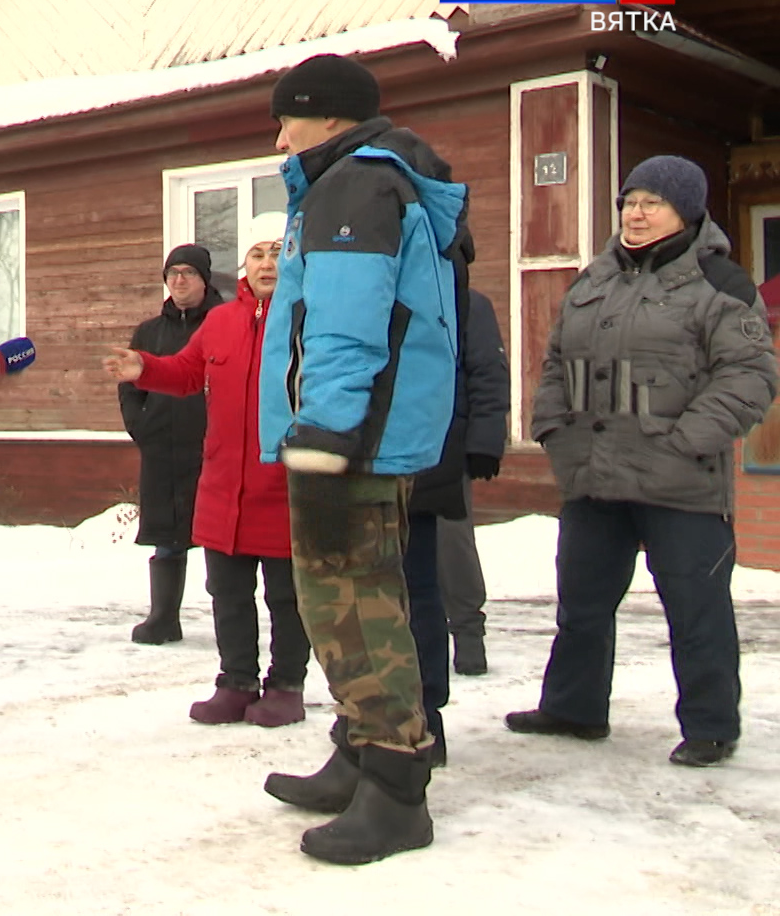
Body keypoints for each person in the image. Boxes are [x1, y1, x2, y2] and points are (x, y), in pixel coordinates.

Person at [253, 54, 466, 865]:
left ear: (330, 116)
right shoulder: (375, 181)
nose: (280, 135)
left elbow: (345, 321)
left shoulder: (354, 185)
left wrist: (328, 429)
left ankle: (396, 785)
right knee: (355, 596)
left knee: (350, 604)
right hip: (372, 429)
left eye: (288, 118)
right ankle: (359, 753)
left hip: (353, 435)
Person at [509, 155, 776, 768]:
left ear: (686, 211)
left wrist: (685, 443)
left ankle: (711, 725)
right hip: (594, 477)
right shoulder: (594, 280)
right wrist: (552, 429)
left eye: (652, 202)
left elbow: (750, 375)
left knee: (696, 609)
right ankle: (573, 708)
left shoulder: (721, 283)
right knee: (580, 604)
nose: (635, 212)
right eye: (630, 201)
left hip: (681, 483)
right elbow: (554, 362)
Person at [106, 215, 307, 726]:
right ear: (245, 265)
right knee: (228, 591)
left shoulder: (310, 317)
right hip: (221, 483)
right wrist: (144, 368)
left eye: (276, 251)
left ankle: (286, 685)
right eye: (257, 254)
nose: (266, 262)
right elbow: (189, 372)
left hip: (283, 482)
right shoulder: (222, 322)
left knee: (286, 595)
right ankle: (236, 681)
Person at [120, 243, 224, 645]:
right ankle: (163, 617)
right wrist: (140, 426)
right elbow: (130, 384)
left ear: (204, 280)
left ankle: (227, 620)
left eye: (188, 273)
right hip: (162, 447)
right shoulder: (149, 332)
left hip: (212, 447)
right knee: (166, 536)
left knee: (219, 539)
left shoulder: (222, 322)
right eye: (173, 274)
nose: (179, 281)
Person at [432, 289, 509, 681]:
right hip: (392, 438)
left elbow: (488, 374)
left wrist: (485, 441)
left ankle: (467, 631)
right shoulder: (384, 291)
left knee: (452, 541)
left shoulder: (469, 303)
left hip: (448, 441)